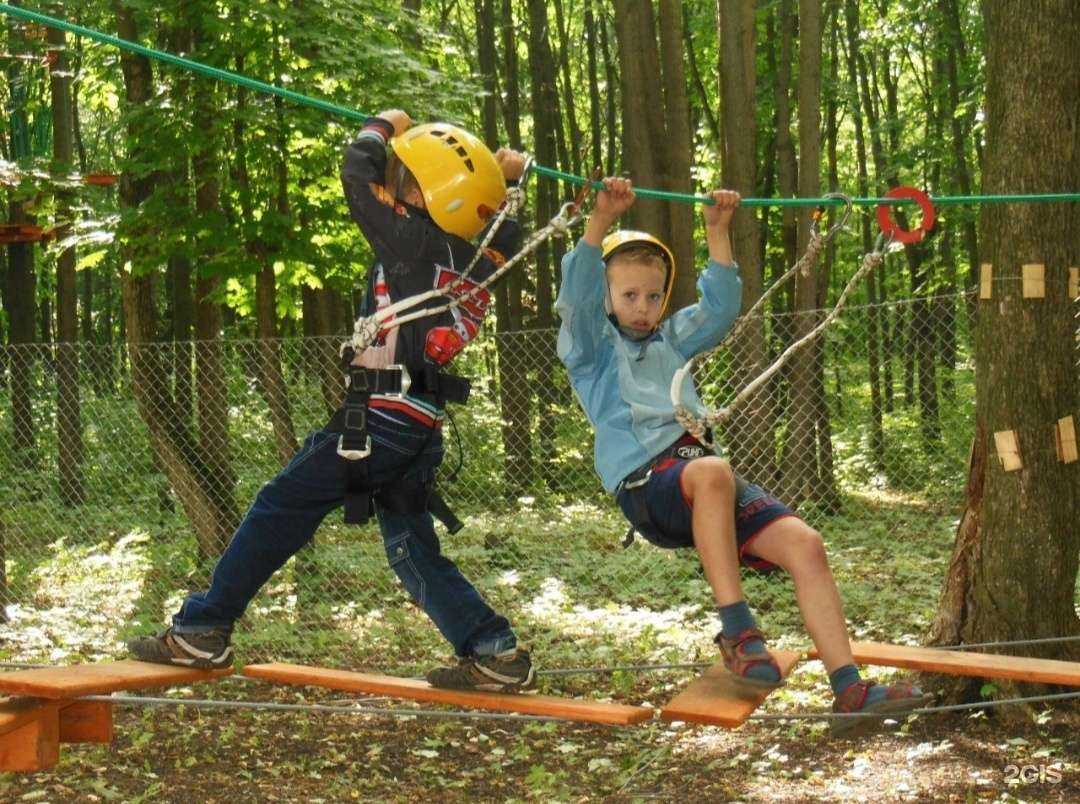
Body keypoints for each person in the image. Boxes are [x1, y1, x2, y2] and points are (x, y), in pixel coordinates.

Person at [129, 110, 535, 693]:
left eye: (404, 180)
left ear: (424, 196)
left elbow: (355, 177)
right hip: (418, 426)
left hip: (379, 420)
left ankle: (204, 628)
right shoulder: (476, 259)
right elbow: (502, 229)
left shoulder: (413, 244)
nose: (392, 186)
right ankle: (492, 649)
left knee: (279, 506)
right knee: (408, 544)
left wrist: (381, 126)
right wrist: (508, 182)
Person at [555, 177, 930, 734]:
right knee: (711, 471)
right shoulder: (591, 351)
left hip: (706, 483)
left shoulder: (671, 341)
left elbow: (720, 308)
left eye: (653, 296)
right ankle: (737, 629)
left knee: (805, 545)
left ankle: (849, 689)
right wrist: (599, 223)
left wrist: (717, 230)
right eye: (629, 295)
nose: (643, 307)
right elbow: (577, 296)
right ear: (608, 298)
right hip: (647, 484)